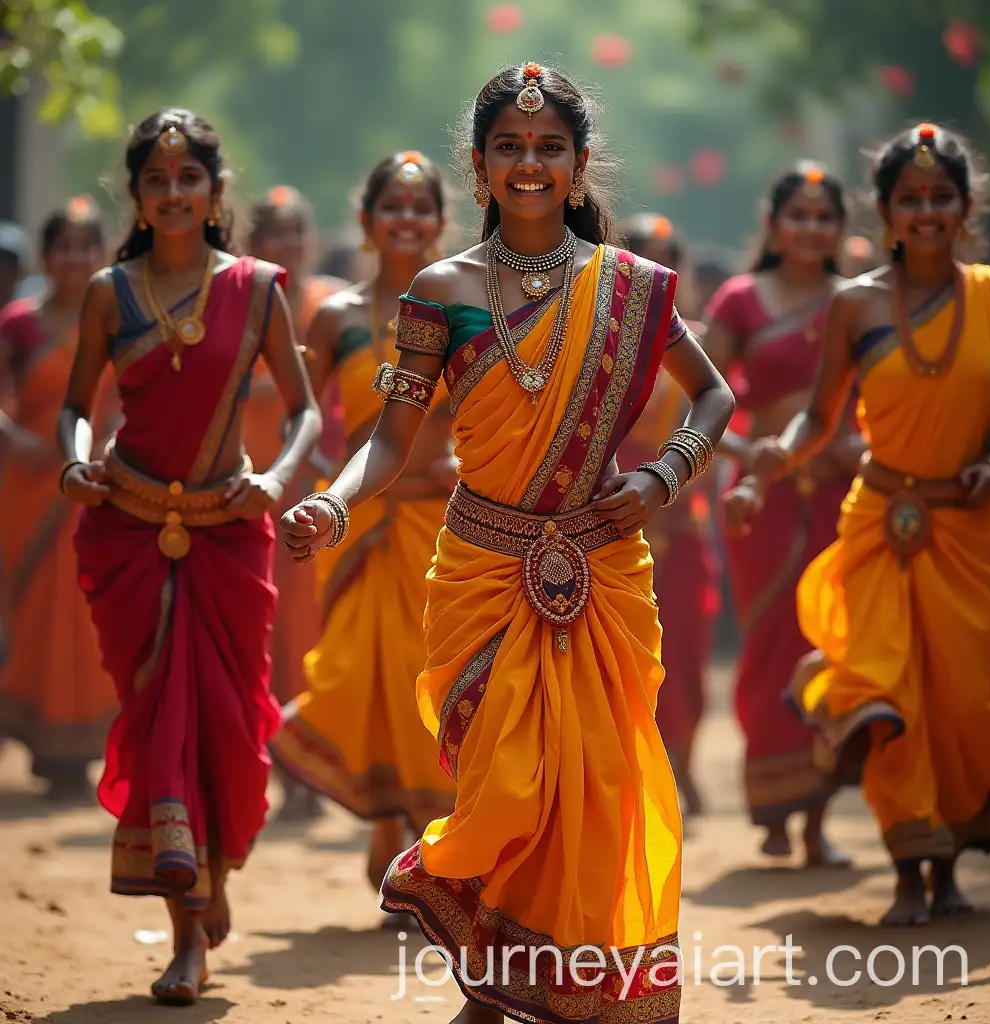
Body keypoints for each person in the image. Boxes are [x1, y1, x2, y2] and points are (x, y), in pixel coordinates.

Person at [280, 63, 734, 1024]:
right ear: (479, 166)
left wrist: (663, 476)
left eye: (549, 148)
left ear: (577, 166)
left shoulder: (631, 287)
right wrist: (331, 503)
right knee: (504, 785)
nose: (530, 163)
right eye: (509, 148)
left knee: (597, 783)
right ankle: (494, 985)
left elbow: (715, 393)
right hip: (483, 573)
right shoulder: (441, 292)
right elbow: (390, 443)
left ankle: (543, 990)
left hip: (602, 571)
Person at [726, 123, 990, 925]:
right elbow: (819, 421)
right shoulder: (856, 305)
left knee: (967, 706)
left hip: (974, 534)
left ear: (966, 209)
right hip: (879, 524)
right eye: (909, 200)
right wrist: (766, 465)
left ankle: (951, 861)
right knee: (891, 695)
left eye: (941, 199)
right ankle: (907, 867)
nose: (926, 212)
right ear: (886, 214)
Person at [57, 109, 321, 1003]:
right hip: (128, 526)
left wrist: (281, 475)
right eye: (156, 182)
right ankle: (187, 924)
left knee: (222, 721)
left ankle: (209, 885)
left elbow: (304, 410)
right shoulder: (109, 291)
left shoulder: (255, 288)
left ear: (216, 192)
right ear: (136, 197)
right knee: (159, 707)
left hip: (229, 530)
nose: (173, 194)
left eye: (189, 179)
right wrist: (74, 455)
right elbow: (75, 404)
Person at [270, 151, 458, 901]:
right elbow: (305, 413)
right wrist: (312, 481)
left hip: (441, 527)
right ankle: (387, 817)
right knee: (364, 673)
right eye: (393, 206)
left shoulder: (457, 309)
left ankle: (417, 832)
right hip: (357, 525)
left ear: (441, 222)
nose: (406, 219)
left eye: (421, 207)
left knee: (430, 678)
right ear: (366, 219)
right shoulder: (339, 318)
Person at [701, 163, 863, 866]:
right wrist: (753, 450)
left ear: (841, 231)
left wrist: (860, 449)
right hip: (762, 497)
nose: (810, 229)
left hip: (840, 495)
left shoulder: (859, 303)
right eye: (798, 215)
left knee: (830, 643)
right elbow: (696, 400)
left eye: (824, 217)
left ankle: (819, 815)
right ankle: (773, 804)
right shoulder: (741, 301)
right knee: (769, 647)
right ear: (773, 225)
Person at [0, 197, 119, 800]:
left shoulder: (116, 321)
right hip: (29, 488)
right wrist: (15, 438)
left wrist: (113, 448)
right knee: (36, 611)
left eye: (85, 246)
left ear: (102, 255)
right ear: (46, 257)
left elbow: (123, 399)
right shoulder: (19, 322)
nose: (75, 258)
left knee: (85, 608)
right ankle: (44, 744)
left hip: (92, 482)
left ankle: (78, 749)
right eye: (64, 247)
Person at [243, 184, 348, 821]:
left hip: (322, 497)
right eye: (274, 232)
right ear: (252, 242)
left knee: (313, 632)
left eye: (297, 231)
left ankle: (313, 770)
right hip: (253, 494)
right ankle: (273, 771)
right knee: (267, 634)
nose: (289, 245)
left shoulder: (333, 305)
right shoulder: (241, 303)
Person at [617, 212, 720, 816]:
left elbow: (717, 414)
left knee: (688, 652)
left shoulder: (694, 344)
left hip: (682, 525)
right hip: (616, 521)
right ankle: (640, 768)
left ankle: (685, 761)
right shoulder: (598, 339)